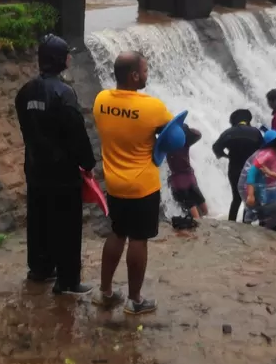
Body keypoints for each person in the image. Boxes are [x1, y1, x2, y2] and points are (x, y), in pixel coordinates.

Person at [15, 34, 97, 297]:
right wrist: (87, 163)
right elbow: (76, 133)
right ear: (60, 59)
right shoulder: (64, 93)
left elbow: (29, 130)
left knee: (39, 220)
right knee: (67, 226)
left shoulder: (25, 92)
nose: (70, 57)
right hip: (63, 174)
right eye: (67, 54)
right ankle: (68, 280)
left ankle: (40, 269)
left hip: (35, 169)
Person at [92, 50, 171, 316]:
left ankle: (105, 292)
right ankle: (135, 300)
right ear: (135, 75)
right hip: (142, 187)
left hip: (114, 184)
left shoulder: (101, 100)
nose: (147, 75)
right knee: (138, 239)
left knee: (117, 233)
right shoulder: (152, 107)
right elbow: (174, 134)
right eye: (145, 71)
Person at [212, 110, 265, 221]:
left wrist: (225, 155)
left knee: (236, 199)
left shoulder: (229, 132)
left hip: (234, 169)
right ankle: (246, 222)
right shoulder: (256, 132)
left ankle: (231, 221)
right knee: (249, 196)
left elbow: (216, 147)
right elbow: (263, 150)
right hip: (251, 170)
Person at [167, 124, 207, 222]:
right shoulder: (185, 142)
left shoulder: (168, 145)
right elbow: (198, 134)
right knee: (199, 199)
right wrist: (187, 130)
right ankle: (210, 218)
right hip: (190, 176)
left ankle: (199, 221)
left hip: (178, 179)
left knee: (189, 203)